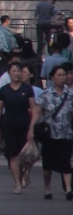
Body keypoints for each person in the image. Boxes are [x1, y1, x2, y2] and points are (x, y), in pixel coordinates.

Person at [0, 61, 41, 194]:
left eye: (19, 71)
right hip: (8, 124)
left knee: (25, 155)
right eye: (14, 71)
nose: (17, 73)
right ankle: (17, 182)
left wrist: (32, 126)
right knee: (13, 155)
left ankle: (23, 176)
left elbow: (33, 107)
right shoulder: (4, 90)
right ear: (9, 73)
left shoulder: (27, 89)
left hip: (24, 124)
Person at [36, 62, 73, 201]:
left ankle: (68, 189)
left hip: (66, 133)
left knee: (66, 161)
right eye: (59, 75)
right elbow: (38, 111)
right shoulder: (46, 94)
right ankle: (47, 188)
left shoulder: (70, 94)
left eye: (64, 74)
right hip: (49, 134)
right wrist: (32, 128)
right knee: (47, 164)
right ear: (52, 77)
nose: (63, 77)